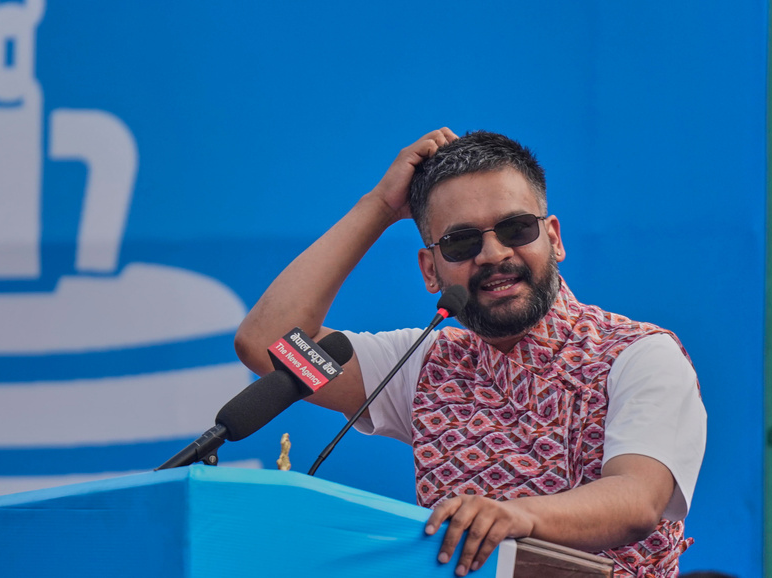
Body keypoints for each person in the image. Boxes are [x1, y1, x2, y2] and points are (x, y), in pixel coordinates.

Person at [234, 129, 706, 578]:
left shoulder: (638, 355)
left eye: (516, 228)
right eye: (462, 242)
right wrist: (378, 207)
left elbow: (638, 499)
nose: (493, 253)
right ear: (430, 270)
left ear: (555, 239)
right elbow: (269, 343)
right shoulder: (423, 364)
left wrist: (513, 517)